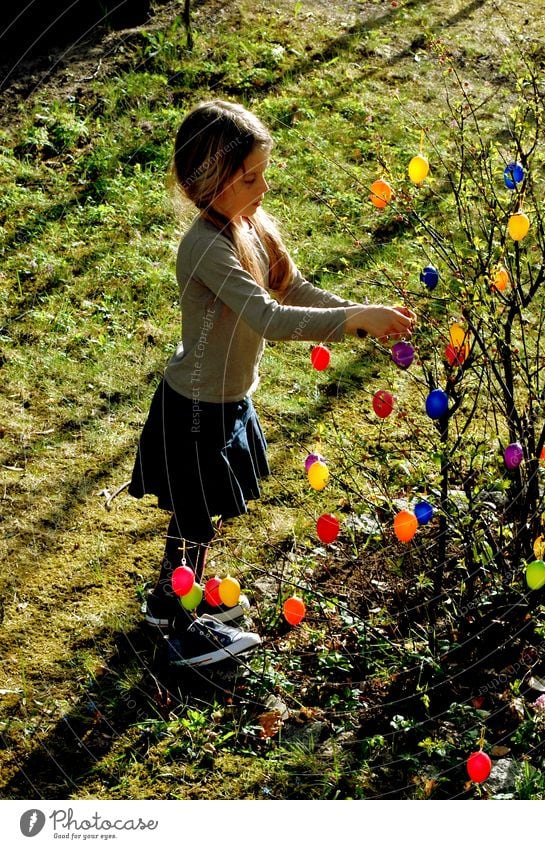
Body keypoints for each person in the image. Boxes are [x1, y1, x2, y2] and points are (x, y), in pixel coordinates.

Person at [129, 100, 415, 667]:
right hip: (194, 407)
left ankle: (168, 599)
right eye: (250, 178)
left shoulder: (249, 225)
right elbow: (270, 319)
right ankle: (183, 630)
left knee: (198, 513)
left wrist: (360, 311)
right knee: (194, 515)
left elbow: (294, 291)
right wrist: (356, 319)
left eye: (264, 174)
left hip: (227, 398)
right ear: (208, 182)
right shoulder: (206, 247)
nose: (263, 188)